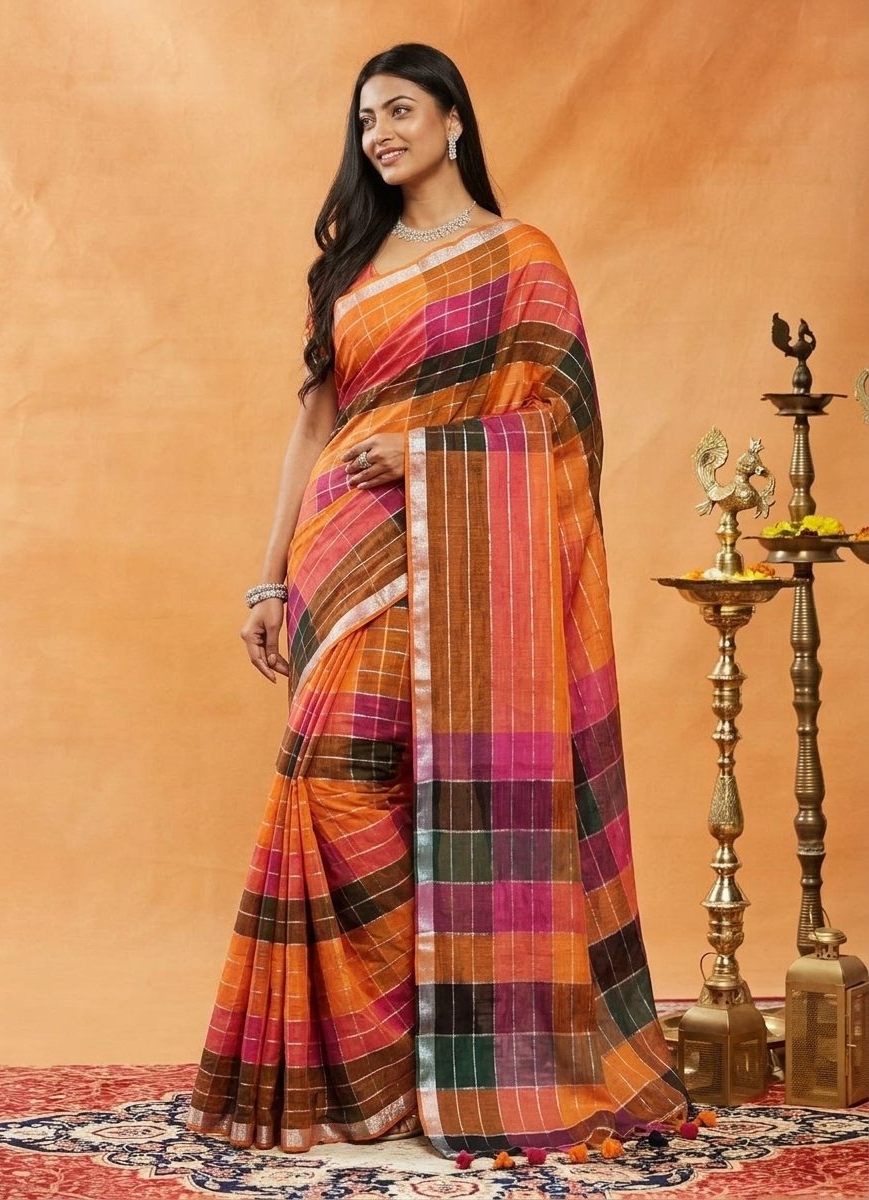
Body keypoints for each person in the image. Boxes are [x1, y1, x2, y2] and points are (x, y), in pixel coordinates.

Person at [186, 42, 687, 1158]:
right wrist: (267, 575)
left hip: (456, 555)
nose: (380, 134)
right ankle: (366, 1072)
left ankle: (452, 1062)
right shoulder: (350, 270)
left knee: (446, 795)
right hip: (340, 554)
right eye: (366, 119)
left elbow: (563, 430)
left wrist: (423, 455)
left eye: (401, 110)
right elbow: (313, 427)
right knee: (329, 780)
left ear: (454, 120)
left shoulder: (521, 260)